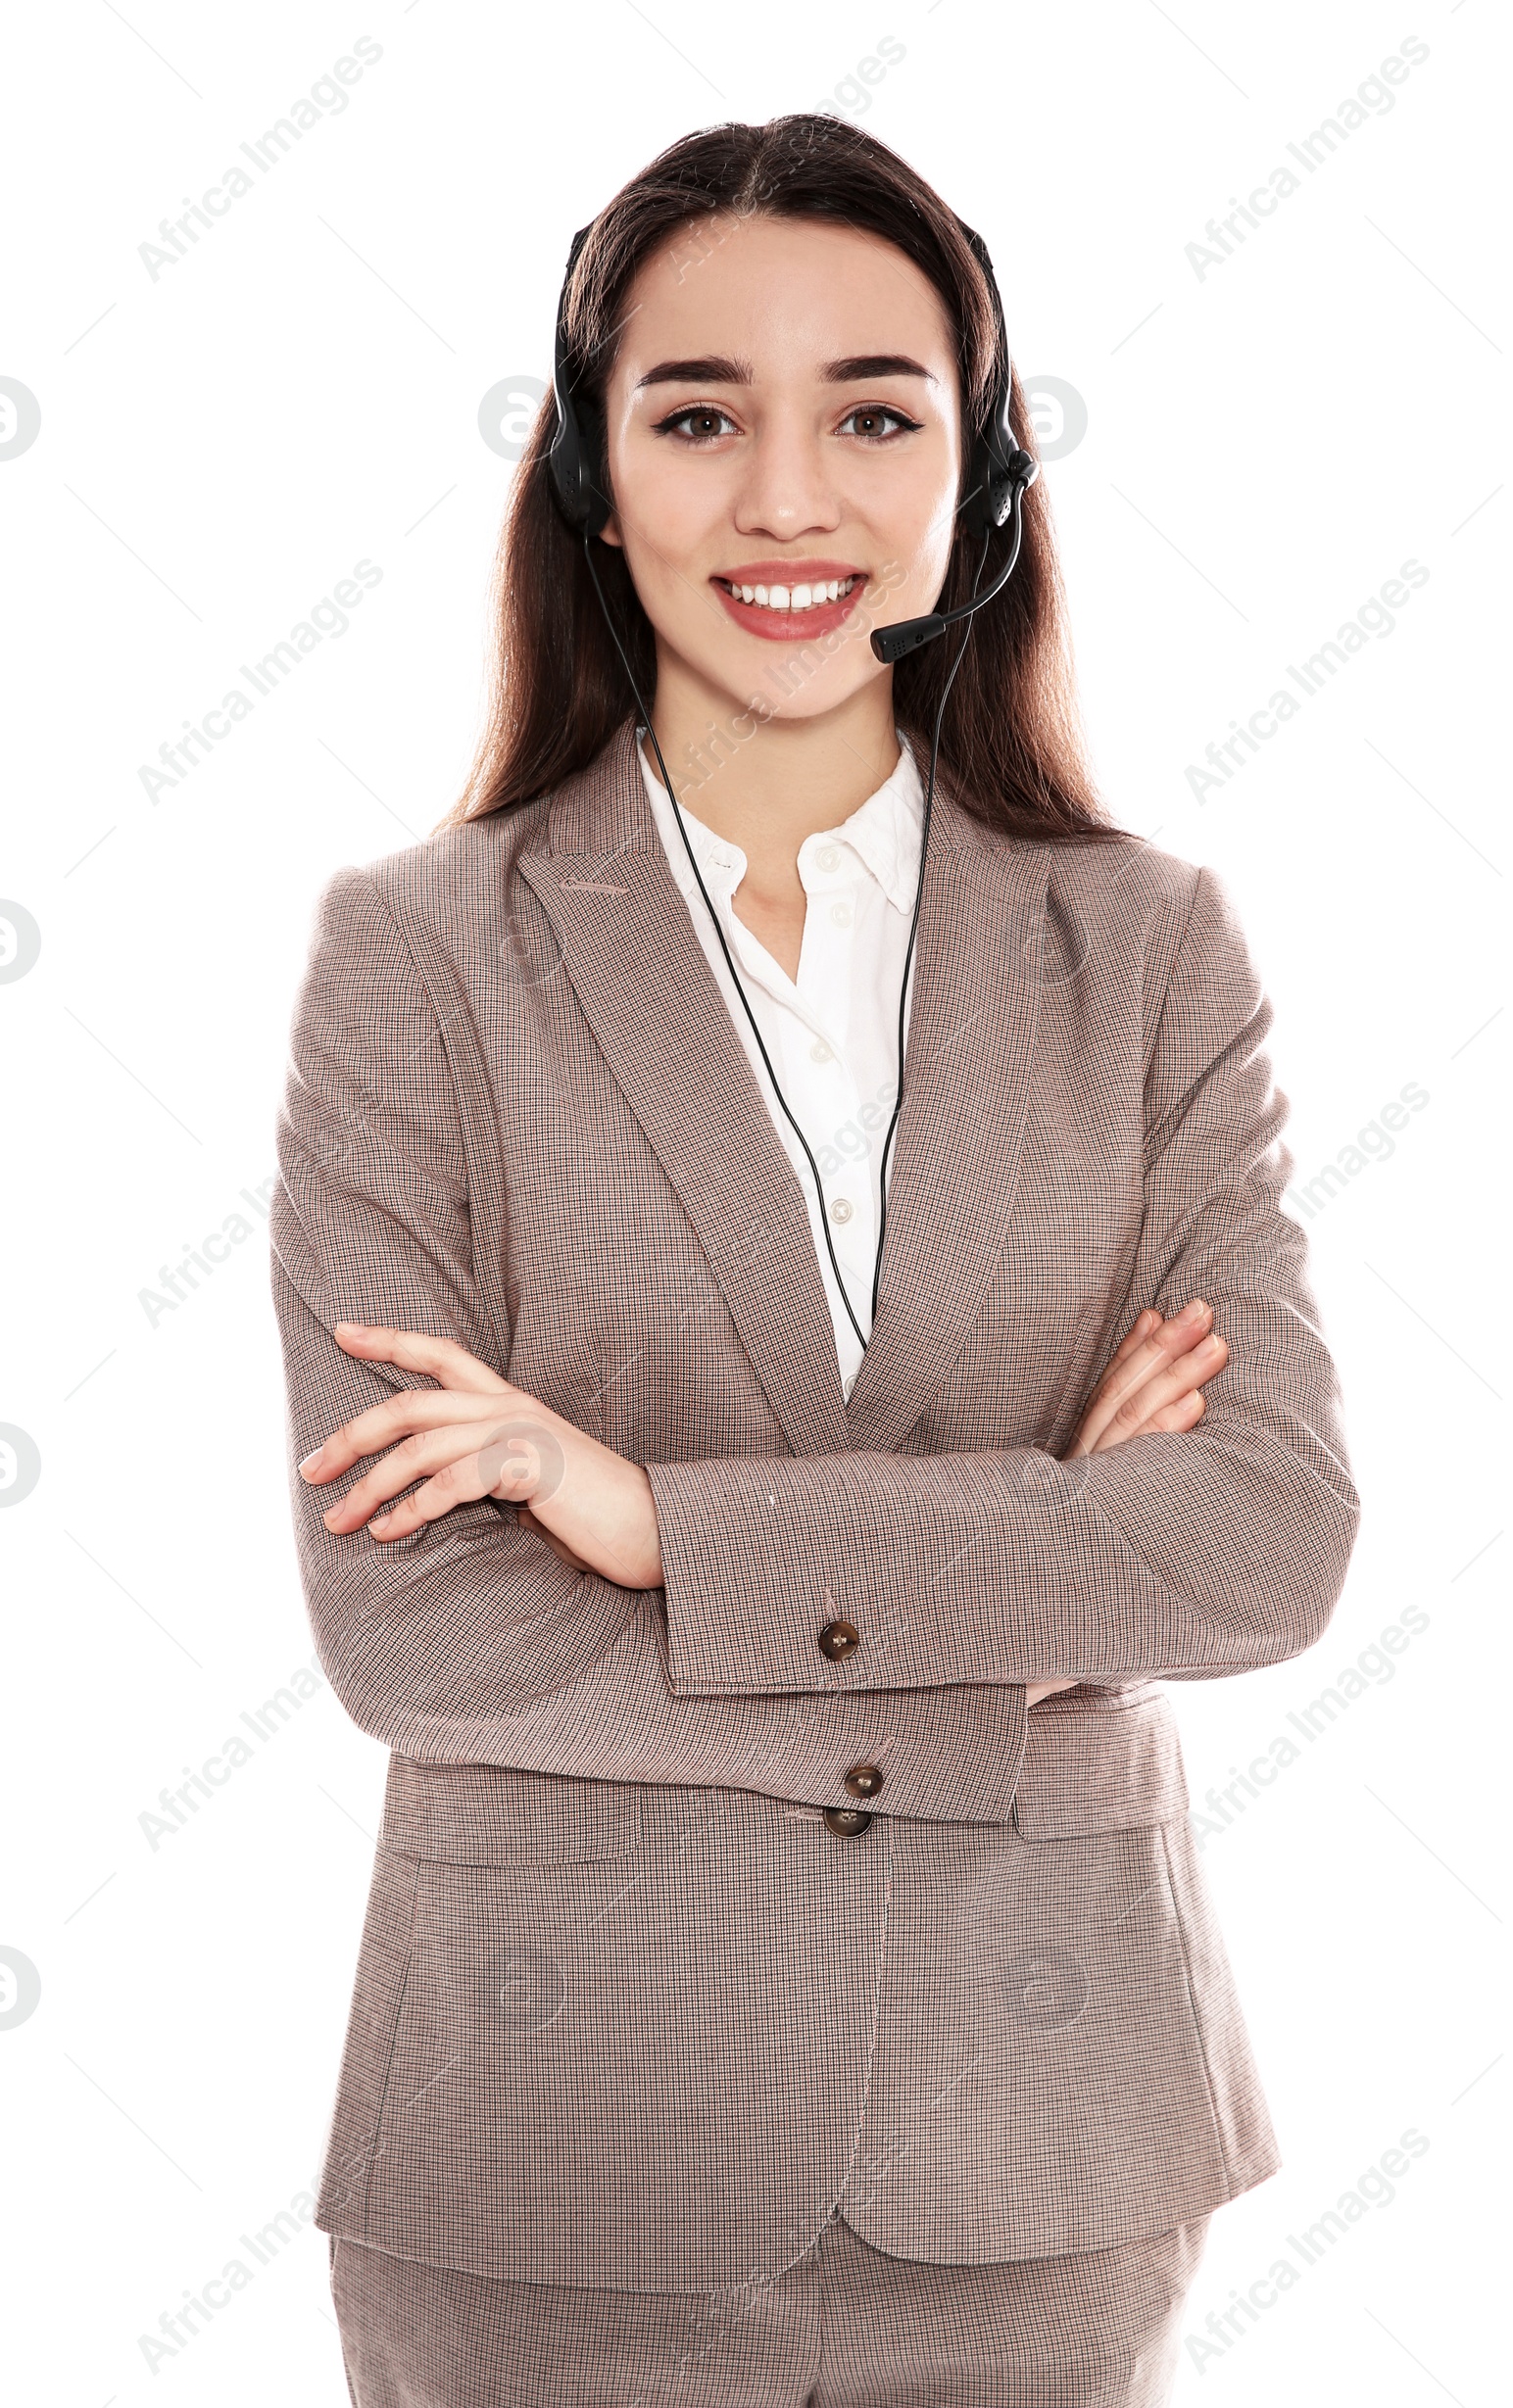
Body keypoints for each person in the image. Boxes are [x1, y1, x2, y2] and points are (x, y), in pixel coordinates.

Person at [270, 113, 1359, 2408]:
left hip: (1044, 2152)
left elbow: (1255, 1544)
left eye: (872, 411)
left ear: (977, 469)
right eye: (696, 416)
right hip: (557, 2160)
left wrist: (649, 1520)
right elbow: (418, 1626)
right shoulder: (417, 959)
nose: (787, 500)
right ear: (589, 473)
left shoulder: (1147, 949)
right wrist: (1036, 1569)